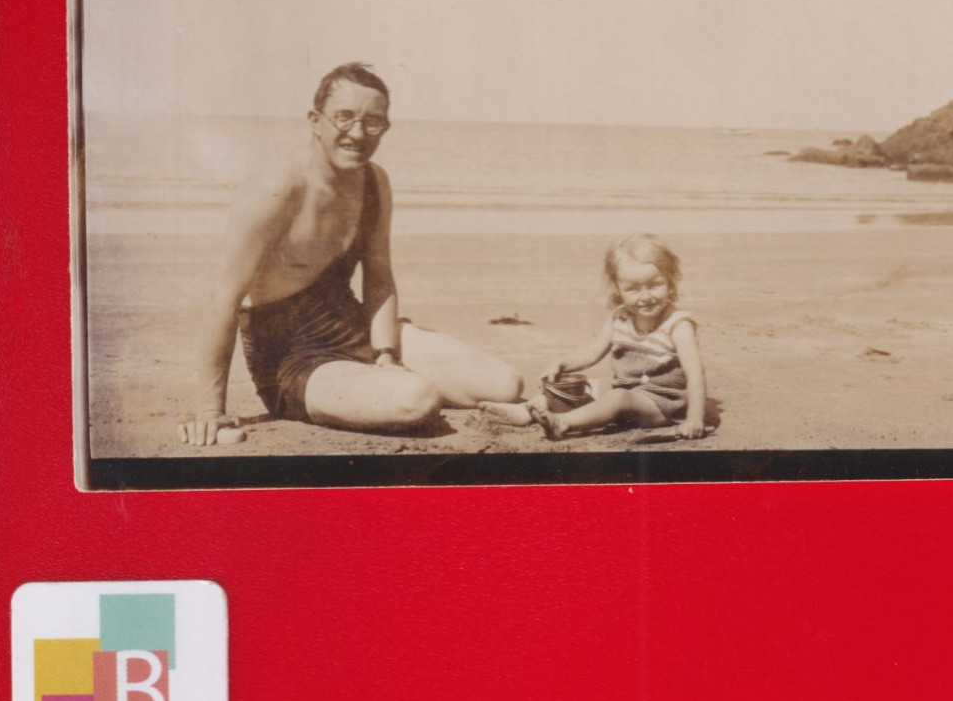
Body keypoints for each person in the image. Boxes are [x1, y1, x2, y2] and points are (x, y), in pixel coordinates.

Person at [178, 63, 523, 446]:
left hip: (357, 331)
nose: (357, 133)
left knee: (504, 384)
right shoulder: (276, 188)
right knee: (416, 399)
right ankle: (372, 392)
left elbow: (379, 278)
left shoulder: (374, 182)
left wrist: (386, 353)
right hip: (295, 361)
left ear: (385, 127)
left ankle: (376, 382)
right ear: (315, 120)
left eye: (373, 122)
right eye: (344, 118)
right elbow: (223, 299)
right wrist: (209, 411)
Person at [528, 234, 708, 441]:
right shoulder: (619, 318)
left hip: (662, 404)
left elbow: (695, 374)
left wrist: (694, 418)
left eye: (654, 285)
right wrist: (561, 365)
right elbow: (592, 353)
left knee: (618, 398)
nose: (645, 296)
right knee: (580, 386)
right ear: (617, 289)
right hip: (627, 390)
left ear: (670, 281)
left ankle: (564, 423)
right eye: (632, 289)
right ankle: (528, 410)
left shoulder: (678, 325)